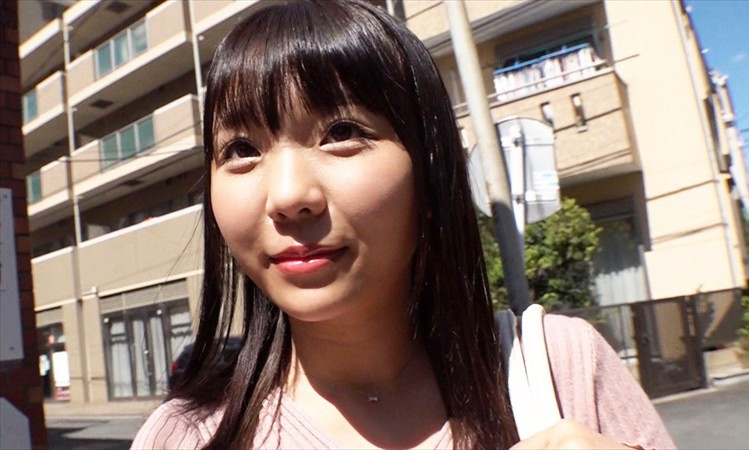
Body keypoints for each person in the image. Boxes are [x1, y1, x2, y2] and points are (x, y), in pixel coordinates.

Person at [132, 1, 675, 449]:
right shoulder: (183, 437)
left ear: (430, 177)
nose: (289, 197)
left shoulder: (562, 370)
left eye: (342, 133)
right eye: (241, 149)